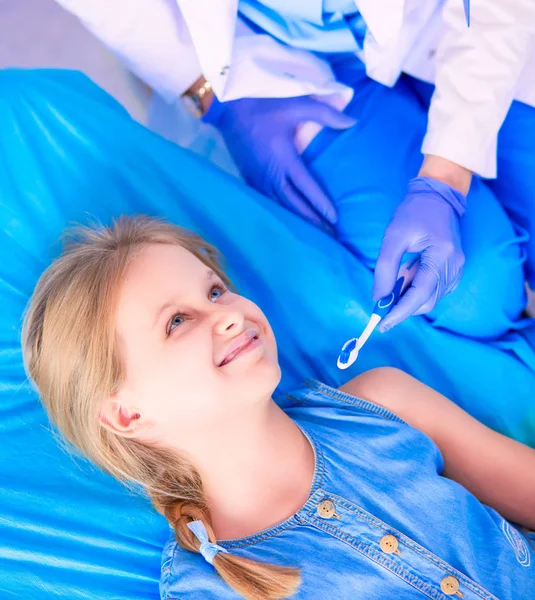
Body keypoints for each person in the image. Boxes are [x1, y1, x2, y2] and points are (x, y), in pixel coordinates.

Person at [22, 216, 535, 600]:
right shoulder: (211, 588)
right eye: (177, 321)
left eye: (216, 290)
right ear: (127, 415)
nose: (225, 315)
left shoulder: (383, 402)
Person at [55, 0, 535, 330]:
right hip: (275, 58)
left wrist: (445, 179)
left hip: (461, 19)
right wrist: (207, 92)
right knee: (477, 294)